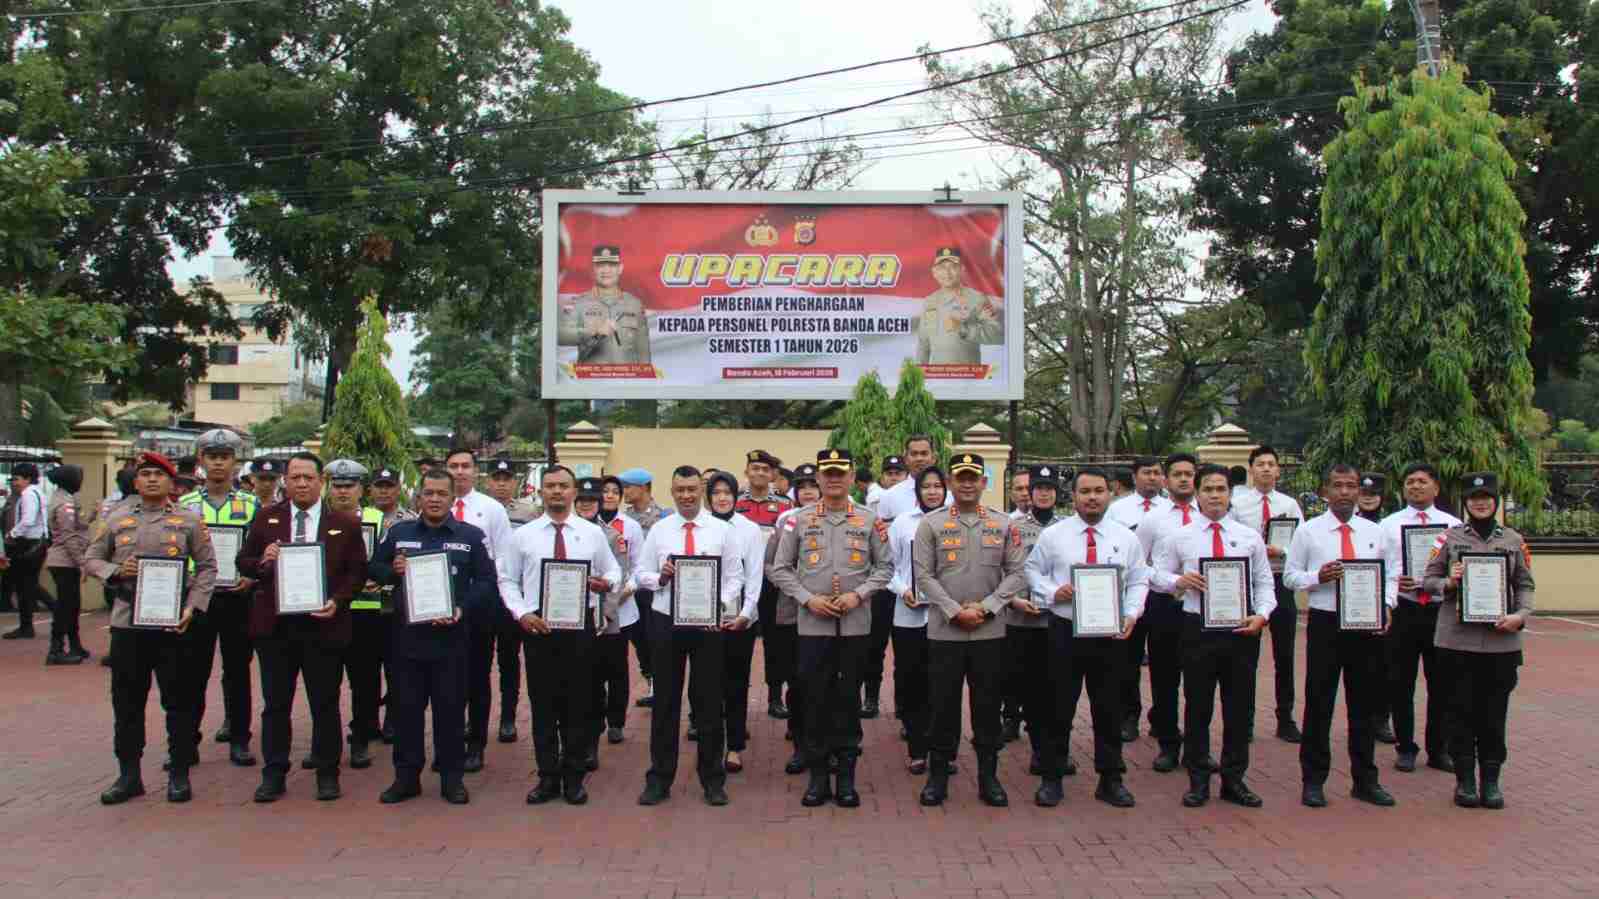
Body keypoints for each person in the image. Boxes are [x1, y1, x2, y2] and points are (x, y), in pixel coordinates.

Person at [82, 452, 218, 804]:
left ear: (172, 482)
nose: (152, 479)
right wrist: (115, 571)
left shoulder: (189, 520)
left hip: (174, 623)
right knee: (127, 702)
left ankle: (179, 772)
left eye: (159, 474)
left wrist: (193, 607)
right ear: (136, 481)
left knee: (179, 700)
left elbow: (207, 567)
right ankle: (129, 775)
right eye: (145, 474)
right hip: (128, 622)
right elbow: (91, 558)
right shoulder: (116, 518)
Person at [239, 452, 368, 803]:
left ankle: (327, 773)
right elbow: (244, 562)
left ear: (321, 481)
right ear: (286, 481)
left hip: (323, 626)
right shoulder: (266, 518)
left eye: (308, 477)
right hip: (276, 627)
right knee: (275, 705)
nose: (301, 484)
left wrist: (339, 600)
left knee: (324, 703)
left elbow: (357, 572)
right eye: (295, 477)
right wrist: (263, 560)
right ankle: (274, 773)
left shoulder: (344, 523)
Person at [770, 449, 892, 808]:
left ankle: (847, 776)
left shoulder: (870, 519)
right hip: (813, 625)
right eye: (828, 473)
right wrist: (807, 599)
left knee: (848, 698)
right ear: (819, 479)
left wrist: (859, 595)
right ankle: (819, 776)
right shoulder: (798, 520)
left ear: (852, 477)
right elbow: (780, 569)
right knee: (814, 698)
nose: (835, 479)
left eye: (841, 473)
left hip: (855, 625)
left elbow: (885, 568)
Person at [1150, 464, 1275, 808]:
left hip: (1241, 631)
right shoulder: (1181, 537)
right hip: (1197, 630)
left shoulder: (1249, 537)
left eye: (1221, 489)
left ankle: (1234, 779)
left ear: (1230, 494)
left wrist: (1262, 614)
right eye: (1208, 489)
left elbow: (1264, 582)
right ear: (1198, 493)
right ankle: (1198, 779)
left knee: (1239, 709)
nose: (1215, 495)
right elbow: (1155, 574)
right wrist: (1178, 581)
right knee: (1198, 707)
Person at [369, 466, 495, 805]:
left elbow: (486, 582)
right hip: (407, 640)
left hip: (451, 639)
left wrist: (462, 609)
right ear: (419, 497)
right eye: (429, 493)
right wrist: (392, 571)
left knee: (450, 712)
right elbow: (374, 568)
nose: (435, 499)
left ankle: (452, 779)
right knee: (406, 712)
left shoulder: (471, 537)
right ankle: (406, 778)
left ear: (453, 498)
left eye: (442, 493)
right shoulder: (399, 533)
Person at [1024, 467, 1147, 808]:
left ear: (1110, 494)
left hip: (1110, 635)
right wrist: (1053, 591)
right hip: (1065, 631)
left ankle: (1110, 779)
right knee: (1058, 706)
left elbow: (1139, 580)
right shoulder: (1055, 535)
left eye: (1098, 491)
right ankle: (1052, 777)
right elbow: (1032, 570)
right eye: (1085, 491)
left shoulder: (1126, 538)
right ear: (1074, 496)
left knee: (1109, 708)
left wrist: (1131, 613)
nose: (1092, 497)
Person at [498, 466, 621, 806]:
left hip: (580, 628)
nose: (556, 491)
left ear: (573, 492)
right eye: (550, 486)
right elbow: (506, 579)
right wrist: (521, 613)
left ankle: (574, 777)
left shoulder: (592, 533)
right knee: (543, 705)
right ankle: (547, 777)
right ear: (541, 491)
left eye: (563, 486)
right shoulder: (523, 535)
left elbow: (613, 569)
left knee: (578, 703)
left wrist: (606, 582)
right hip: (539, 627)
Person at [912, 453, 1027, 807]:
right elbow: (923, 575)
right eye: (960, 477)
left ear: (983, 483)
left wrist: (987, 607)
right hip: (944, 632)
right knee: (942, 706)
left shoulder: (1004, 524)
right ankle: (938, 777)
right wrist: (954, 611)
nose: (966, 483)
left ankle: (988, 778)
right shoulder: (930, 524)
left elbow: (1017, 573)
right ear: (950, 482)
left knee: (987, 708)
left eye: (972, 478)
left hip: (989, 632)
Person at [1284, 464, 1397, 809]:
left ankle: (1365, 780)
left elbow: (1392, 574)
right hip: (1326, 623)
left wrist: (1387, 603)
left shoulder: (1375, 532)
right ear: (1325, 491)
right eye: (1338, 485)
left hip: (1365, 625)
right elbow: (1290, 576)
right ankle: (1313, 781)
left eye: (1351, 486)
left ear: (1359, 491)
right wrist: (1316, 577)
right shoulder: (1308, 532)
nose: (1345, 492)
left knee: (1364, 706)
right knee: (1319, 703)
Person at [1422, 472, 1534, 810]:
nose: (1480, 503)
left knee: (1494, 714)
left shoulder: (1514, 540)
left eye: (1486, 497)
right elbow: (1428, 580)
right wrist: (1449, 582)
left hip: (1501, 643)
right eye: (1474, 498)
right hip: (1457, 643)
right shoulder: (1448, 538)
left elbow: (1525, 584)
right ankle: (1465, 781)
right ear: (1466, 502)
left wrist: (1520, 615)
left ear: (1495, 501)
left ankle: (1491, 780)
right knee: (1459, 713)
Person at [634, 466, 743, 807]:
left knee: (709, 701)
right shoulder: (660, 530)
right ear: (672, 491)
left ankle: (712, 779)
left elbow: (735, 577)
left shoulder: (721, 530)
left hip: (707, 626)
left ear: (701, 491)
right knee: (665, 702)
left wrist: (718, 606)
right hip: (666, 621)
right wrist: (660, 577)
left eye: (692, 489)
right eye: (679, 489)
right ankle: (659, 778)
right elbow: (640, 573)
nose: (686, 495)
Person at [177, 430, 261, 768]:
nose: (218, 464)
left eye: (224, 457)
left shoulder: (251, 504)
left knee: (237, 671)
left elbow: (259, 549)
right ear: (201, 460)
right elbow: (176, 549)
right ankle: (187, 741)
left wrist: (252, 576)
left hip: (237, 597)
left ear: (235, 462)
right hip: (198, 597)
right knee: (192, 672)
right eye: (212, 457)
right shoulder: (185, 505)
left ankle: (239, 739)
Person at [1378, 464, 1461, 774]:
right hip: (1404, 608)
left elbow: (1459, 567)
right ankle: (1405, 747)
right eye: (1410, 481)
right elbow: (1380, 566)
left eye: (1422, 481)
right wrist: (1392, 586)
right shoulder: (1388, 525)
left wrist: (1445, 581)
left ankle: (1439, 749)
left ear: (1436, 488)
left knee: (1442, 684)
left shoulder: (1453, 525)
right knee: (1400, 682)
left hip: (1441, 610)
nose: (1415, 486)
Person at [441, 447, 512, 774]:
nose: (459, 471)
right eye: (453, 466)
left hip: (480, 604)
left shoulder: (491, 509)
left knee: (477, 677)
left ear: (475, 471)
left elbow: (504, 557)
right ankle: (448, 744)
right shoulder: (433, 505)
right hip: (439, 604)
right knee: (444, 679)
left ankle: (475, 744)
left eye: (465, 466)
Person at [1228, 445, 1306, 743]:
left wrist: (1281, 550)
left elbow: (1302, 543)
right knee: (1246, 658)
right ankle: (1245, 722)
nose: (1266, 469)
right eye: (1260, 464)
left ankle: (1285, 719)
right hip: (1248, 585)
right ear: (1251, 469)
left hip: (1280, 581)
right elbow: (1231, 540)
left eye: (1271, 464)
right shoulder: (1237, 504)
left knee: (1285, 656)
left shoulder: (1289, 504)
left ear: (1278, 470)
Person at [1130, 453, 1203, 771]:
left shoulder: (1210, 515)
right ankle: (1168, 744)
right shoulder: (1153, 519)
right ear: (1165, 479)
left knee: (1200, 679)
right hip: (1164, 605)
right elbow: (1138, 565)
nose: (1184, 479)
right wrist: (1174, 581)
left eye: (1189, 473)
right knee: (1165, 678)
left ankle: (1198, 748)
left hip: (1203, 607)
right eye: (1177, 474)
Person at [1003, 465, 1072, 777]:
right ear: (1029, 493)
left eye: (1049, 488)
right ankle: (1039, 750)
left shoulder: (1068, 527)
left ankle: (1059, 750)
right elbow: (1002, 570)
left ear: (1058, 493)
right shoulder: (1012, 527)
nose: (1044, 493)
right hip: (1023, 621)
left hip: (1059, 620)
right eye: (1038, 488)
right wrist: (1014, 600)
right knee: (1031, 690)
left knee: (1060, 691)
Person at [322, 459, 389, 771]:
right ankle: (324, 744)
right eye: (337, 486)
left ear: (362, 489)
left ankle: (361, 738)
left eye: (349, 486)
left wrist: (379, 576)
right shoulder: (319, 519)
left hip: (367, 610)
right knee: (325, 682)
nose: (343, 491)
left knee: (365, 681)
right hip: (330, 609)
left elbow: (387, 560)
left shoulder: (378, 519)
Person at [1105, 456, 1171, 742]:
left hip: (1161, 595)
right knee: (1127, 660)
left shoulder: (1171, 510)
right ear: (1134, 477)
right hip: (1128, 592)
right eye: (1146, 472)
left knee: (1164, 661)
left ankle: (1162, 718)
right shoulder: (1117, 509)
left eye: (1157, 473)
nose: (1152, 478)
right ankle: (1128, 716)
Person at [702, 471, 763, 774]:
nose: (722, 498)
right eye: (716, 493)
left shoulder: (749, 530)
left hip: (739, 619)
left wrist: (746, 614)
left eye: (727, 492)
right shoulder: (701, 526)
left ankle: (735, 745)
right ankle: (710, 744)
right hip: (703, 620)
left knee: (736, 683)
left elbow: (754, 575)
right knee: (706, 685)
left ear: (736, 496)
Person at [885, 466, 944, 774]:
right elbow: (888, 566)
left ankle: (942, 750)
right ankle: (918, 748)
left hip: (946, 618)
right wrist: (903, 589)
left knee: (942, 684)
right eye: (926, 486)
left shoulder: (954, 521)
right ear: (917, 491)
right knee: (912, 681)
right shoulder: (903, 523)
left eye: (937, 486)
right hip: (909, 615)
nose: (932, 492)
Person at [577, 477, 637, 766]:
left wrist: (605, 615)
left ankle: (610, 724)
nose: (586, 505)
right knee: (584, 682)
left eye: (592, 500)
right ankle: (586, 735)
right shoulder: (564, 532)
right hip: (571, 621)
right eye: (582, 500)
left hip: (605, 620)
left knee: (611, 673)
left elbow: (620, 579)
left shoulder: (612, 536)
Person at [766, 463, 821, 775]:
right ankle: (801, 745)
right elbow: (770, 565)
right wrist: (796, 587)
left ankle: (828, 744)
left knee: (826, 682)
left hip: (829, 613)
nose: (808, 492)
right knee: (798, 680)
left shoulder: (837, 518)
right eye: (803, 487)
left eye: (813, 486)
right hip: (793, 612)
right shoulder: (786, 521)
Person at [734, 450, 793, 719]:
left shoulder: (785, 506)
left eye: (765, 469)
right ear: (747, 471)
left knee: (775, 642)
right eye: (755, 468)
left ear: (773, 475)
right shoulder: (734, 503)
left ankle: (775, 697)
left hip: (772, 584)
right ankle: (736, 701)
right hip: (741, 583)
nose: (759, 473)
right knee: (738, 643)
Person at [486, 457, 535, 743]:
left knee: (509, 659)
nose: (502, 484)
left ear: (515, 482)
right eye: (497, 479)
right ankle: (475, 718)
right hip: (485, 593)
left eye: (507, 479)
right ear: (488, 481)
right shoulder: (479, 509)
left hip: (514, 595)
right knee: (478, 660)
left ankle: (508, 717)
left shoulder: (529, 512)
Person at [368, 466, 416, 744]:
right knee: (366, 665)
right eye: (379, 486)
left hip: (392, 600)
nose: (384, 491)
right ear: (370, 489)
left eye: (389, 486)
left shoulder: (410, 521)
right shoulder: (360, 518)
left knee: (395, 663)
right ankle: (368, 720)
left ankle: (393, 720)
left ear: (398, 489)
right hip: (362, 601)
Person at [596, 475, 645, 737]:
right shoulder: (587, 523)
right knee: (593, 666)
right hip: (591, 609)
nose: (610, 495)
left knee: (617, 667)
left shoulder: (631, 527)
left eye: (615, 491)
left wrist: (627, 589)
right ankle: (595, 715)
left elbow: (640, 565)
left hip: (622, 608)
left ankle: (616, 722)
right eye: (605, 491)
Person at [557, 244, 652, 365]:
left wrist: (644, 373)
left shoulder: (635, 304)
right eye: (600, 265)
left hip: (627, 376)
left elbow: (643, 353)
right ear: (593, 269)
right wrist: (594, 331)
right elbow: (561, 336)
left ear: (620, 268)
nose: (606, 270)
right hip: (591, 376)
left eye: (612, 265)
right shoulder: (579, 303)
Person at [619, 467, 662, 706]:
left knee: (653, 638)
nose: (624, 491)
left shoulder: (662, 517)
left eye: (628, 487)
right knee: (638, 641)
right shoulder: (622, 519)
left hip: (651, 590)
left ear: (644, 487)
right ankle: (651, 680)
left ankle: (659, 687)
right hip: (627, 590)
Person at [915, 247, 1003, 364]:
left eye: (953, 267)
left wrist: (963, 329)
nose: (947, 273)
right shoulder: (929, 302)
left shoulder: (977, 298)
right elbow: (923, 343)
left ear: (962, 270)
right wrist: (918, 372)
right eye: (942, 268)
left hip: (967, 373)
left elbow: (997, 335)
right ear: (934, 273)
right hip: (937, 373)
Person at [44, 464, 89, 665]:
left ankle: (75, 644)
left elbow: (79, 526)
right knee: (65, 607)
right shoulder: (64, 503)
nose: (81, 481)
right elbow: (69, 535)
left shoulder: (64, 498)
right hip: (64, 561)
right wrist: (82, 562)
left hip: (65, 560)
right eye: (79, 477)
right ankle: (56, 650)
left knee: (72, 605)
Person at [3, 462, 49, 640]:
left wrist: (12, 534)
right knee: (28, 585)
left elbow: (28, 520)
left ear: (28, 479)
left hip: (29, 543)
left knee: (24, 586)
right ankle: (27, 625)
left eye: (17, 479)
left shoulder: (28, 494)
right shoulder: (38, 492)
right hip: (37, 543)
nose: (14, 482)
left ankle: (27, 626)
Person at [874, 434, 946, 522]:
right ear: (905, 459)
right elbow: (881, 528)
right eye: (914, 454)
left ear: (933, 458)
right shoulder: (889, 496)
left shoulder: (949, 497)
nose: (919, 458)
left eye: (924, 453)